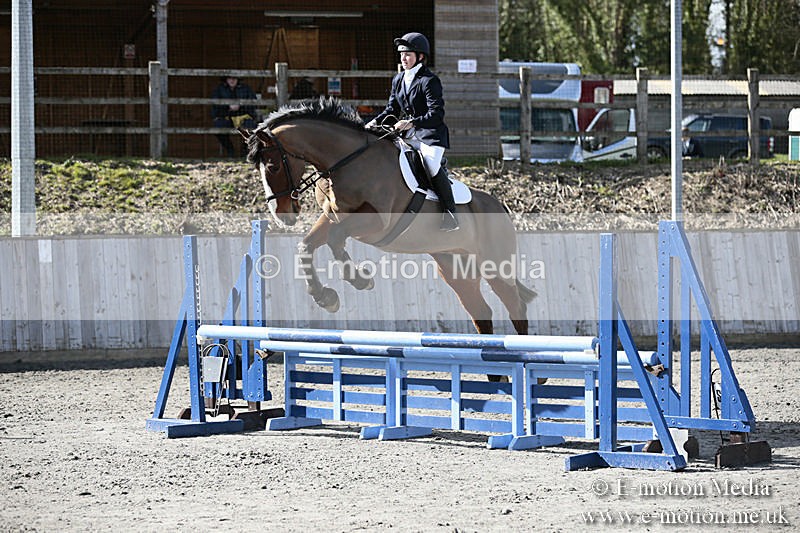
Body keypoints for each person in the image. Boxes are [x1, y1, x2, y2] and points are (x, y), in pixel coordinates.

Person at [366, 32, 459, 231]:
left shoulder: (429, 80)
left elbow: (436, 114)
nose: (403, 58)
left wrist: (411, 123)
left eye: (408, 54)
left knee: (430, 165)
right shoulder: (399, 79)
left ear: (420, 56)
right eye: (401, 54)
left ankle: (450, 213)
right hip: (407, 136)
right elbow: (392, 110)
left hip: (430, 136)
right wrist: (372, 122)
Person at [211, 75, 258, 157]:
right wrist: (228, 106)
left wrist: (240, 105)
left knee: (252, 128)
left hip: (243, 116)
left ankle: (245, 150)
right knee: (218, 128)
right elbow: (215, 104)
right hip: (226, 116)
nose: (232, 80)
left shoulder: (246, 88)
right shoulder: (219, 89)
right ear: (226, 79)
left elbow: (253, 102)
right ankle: (230, 150)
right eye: (229, 78)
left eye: (234, 78)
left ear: (238, 79)